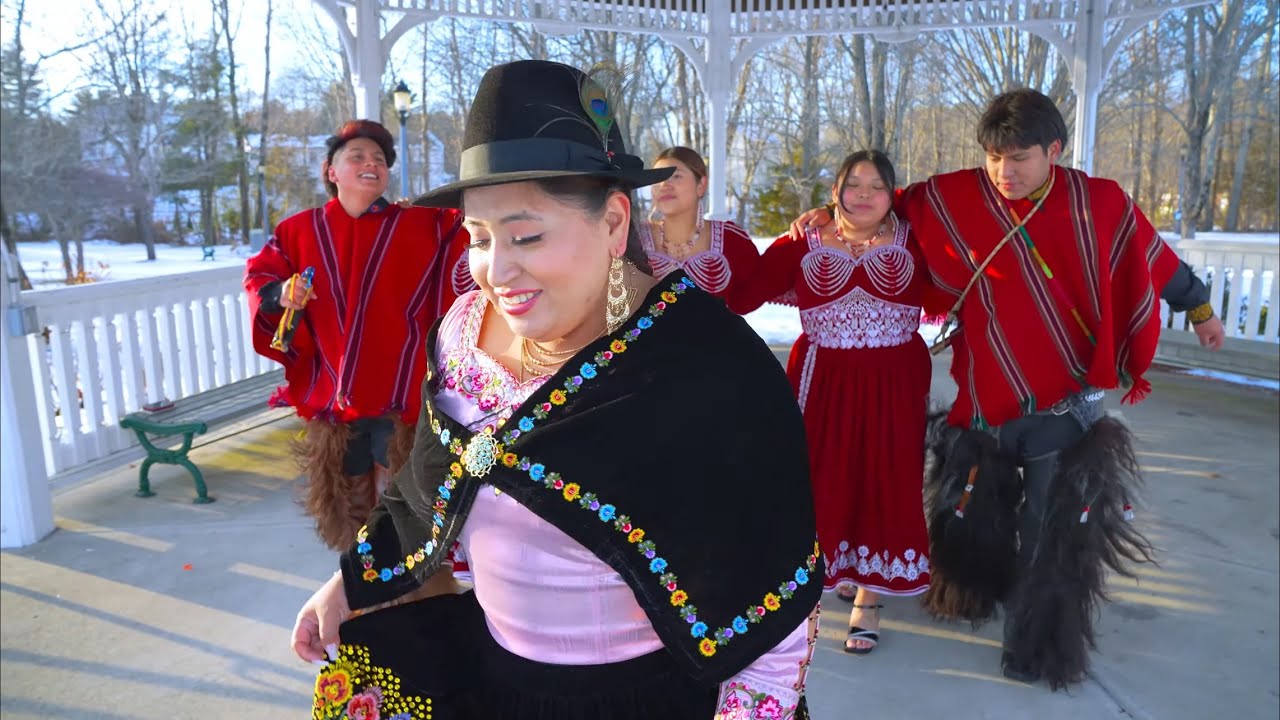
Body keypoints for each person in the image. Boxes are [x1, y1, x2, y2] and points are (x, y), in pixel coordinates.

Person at [291, 60, 822, 720]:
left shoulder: (708, 363)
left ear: (614, 224)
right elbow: (421, 485)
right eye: (478, 238)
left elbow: (773, 593)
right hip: (490, 679)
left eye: (527, 236)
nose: (496, 271)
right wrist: (348, 586)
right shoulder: (462, 333)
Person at [790, 88, 1224, 689]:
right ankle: (970, 595)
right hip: (985, 394)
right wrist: (827, 212)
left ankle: (1032, 642)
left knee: (1047, 528)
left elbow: (1152, 257)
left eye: (1019, 158)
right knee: (973, 513)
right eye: (994, 157)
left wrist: (1199, 308)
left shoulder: (1098, 204)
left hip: (1064, 399)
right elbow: (879, 200)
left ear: (1054, 150)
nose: (1004, 172)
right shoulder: (955, 196)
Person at [737, 150, 933, 656]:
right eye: (853, 185)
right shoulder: (805, 240)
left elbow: (966, 273)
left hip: (894, 380)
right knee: (823, 476)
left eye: (876, 186)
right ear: (835, 192)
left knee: (885, 475)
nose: (864, 195)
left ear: (892, 194)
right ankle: (830, 572)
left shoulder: (917, 237)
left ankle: (869, 596)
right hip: (822, 379)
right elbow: (744, 290)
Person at [245, 119, 470, 551]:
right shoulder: (298, 230)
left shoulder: (419, 223)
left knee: (400, 497)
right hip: (332, 395)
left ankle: (402, 570)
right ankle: (357, 571)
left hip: (399, 392)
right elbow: (260, 276)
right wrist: (280, 294)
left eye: (380, 159)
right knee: (346, 501)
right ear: (332, 171)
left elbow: (472, 226)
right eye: (358, 157)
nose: (372, 164)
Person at [641, 146, 760, 313]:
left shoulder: (731, 240)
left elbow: (761, 286)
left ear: (701, 185)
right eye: (657, 178)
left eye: (676, 176)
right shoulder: (632, 239)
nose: (664, 185)